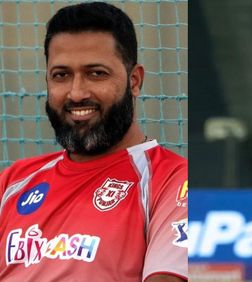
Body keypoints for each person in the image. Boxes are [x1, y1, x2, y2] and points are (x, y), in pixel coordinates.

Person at [0, 2, 187, 281]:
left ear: (134, 81)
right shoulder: (12, 182)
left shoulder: (172, 180)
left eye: (96, 73)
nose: (76, 93)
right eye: (61, 75)